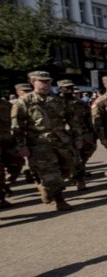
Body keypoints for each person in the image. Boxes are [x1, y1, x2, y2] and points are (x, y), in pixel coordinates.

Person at [11, 71, 79, 211]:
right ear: (32, 82)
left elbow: (72, 119)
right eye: (42, 81)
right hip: (39, 143)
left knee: (67, 169)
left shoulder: (58, 100)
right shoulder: (25, 101)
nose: (46, 84)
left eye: (48, 81)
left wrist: (77, 137)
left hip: (61, 141)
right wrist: (21, 146)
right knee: (51, 172)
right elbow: (17, 126)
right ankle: (59, 200)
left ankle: (45, 186)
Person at [57, 80, 96, 190]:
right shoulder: (56, 103)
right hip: (65, 136)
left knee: (84, 156)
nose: (69, 89)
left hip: (82, 134)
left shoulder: (80, 103)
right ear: (60, 89)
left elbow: (88, 119)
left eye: (70, 87)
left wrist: (92, 133)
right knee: (74, 159)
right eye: (66, 88)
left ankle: (75, 175)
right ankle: (79, 180)